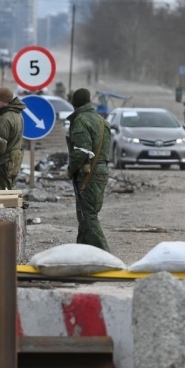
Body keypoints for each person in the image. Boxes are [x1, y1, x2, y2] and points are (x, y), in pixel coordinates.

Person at [66, 88, 112, 252]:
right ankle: (82, 252)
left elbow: (81, 151)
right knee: (85, 215)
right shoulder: (101, 121)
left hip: (88, 174)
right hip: (100, 172)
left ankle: (105, 254)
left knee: (89, 216)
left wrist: (70, 170)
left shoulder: (81, 120)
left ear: (75, 103)